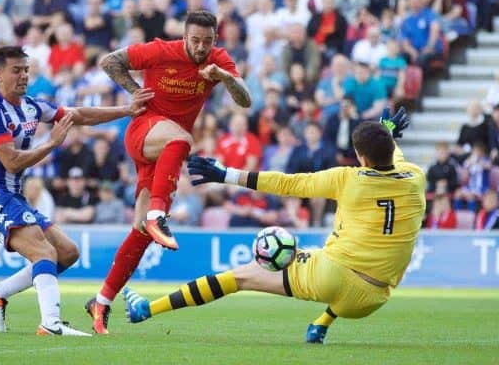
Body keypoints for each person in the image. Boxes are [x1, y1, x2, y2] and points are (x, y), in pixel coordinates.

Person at [123, 107, 425, 345]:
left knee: (237, 277)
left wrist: (225, 174)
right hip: (372, 300)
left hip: (333, 278)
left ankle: (146, 309)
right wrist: (388, 133)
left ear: (360, 157)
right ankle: (321, 325)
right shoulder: (415, 177)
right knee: (332, 255)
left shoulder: (348, 179)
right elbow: (392, 158)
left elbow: (287, 183)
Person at [85, 10, 251, 334]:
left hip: (164, 154)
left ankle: (101, 301)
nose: (201, 47)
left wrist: (226, 77)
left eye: (207, 41)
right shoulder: (160, 50)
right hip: (144, 132)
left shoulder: (218, 60)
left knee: (140, 232)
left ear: (215, 39)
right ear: (185, 36)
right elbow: (109, 61)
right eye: (195, 40)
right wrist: (134, 90)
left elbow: (244, 100)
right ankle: (158, 213)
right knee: (183, 138)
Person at [0, 46, 150, 336]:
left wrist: (127, 110)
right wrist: (51, 144)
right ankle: (51, 323)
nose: (23, 76)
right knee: (44, 252)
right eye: (16, 70)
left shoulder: (31, 106)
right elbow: (11, 160)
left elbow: (78, 114)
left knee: (67, 253)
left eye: (26, 70)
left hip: (14, 198)